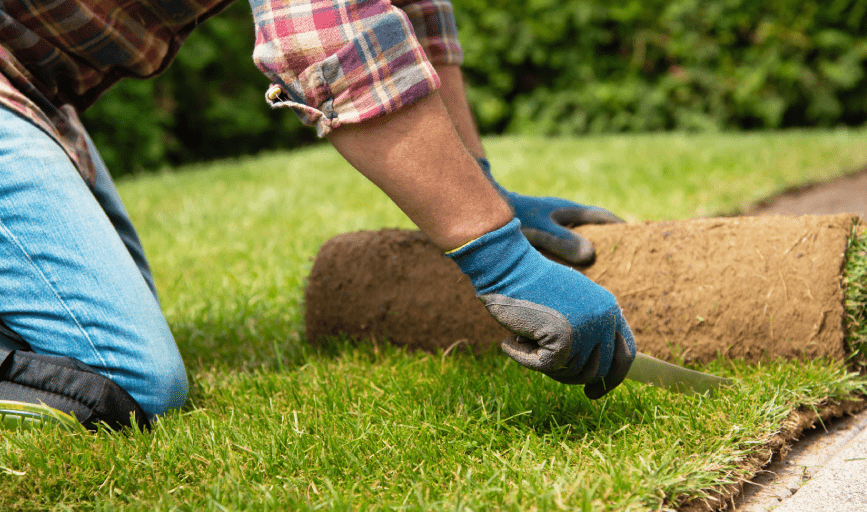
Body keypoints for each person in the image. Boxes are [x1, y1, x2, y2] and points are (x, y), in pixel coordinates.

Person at [0, 0, 635, 431]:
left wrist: (483, 184)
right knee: (126, 379)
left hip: (31, 90)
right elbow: (327, 41)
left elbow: (416, 15)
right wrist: (501, 263)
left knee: (68, 337)